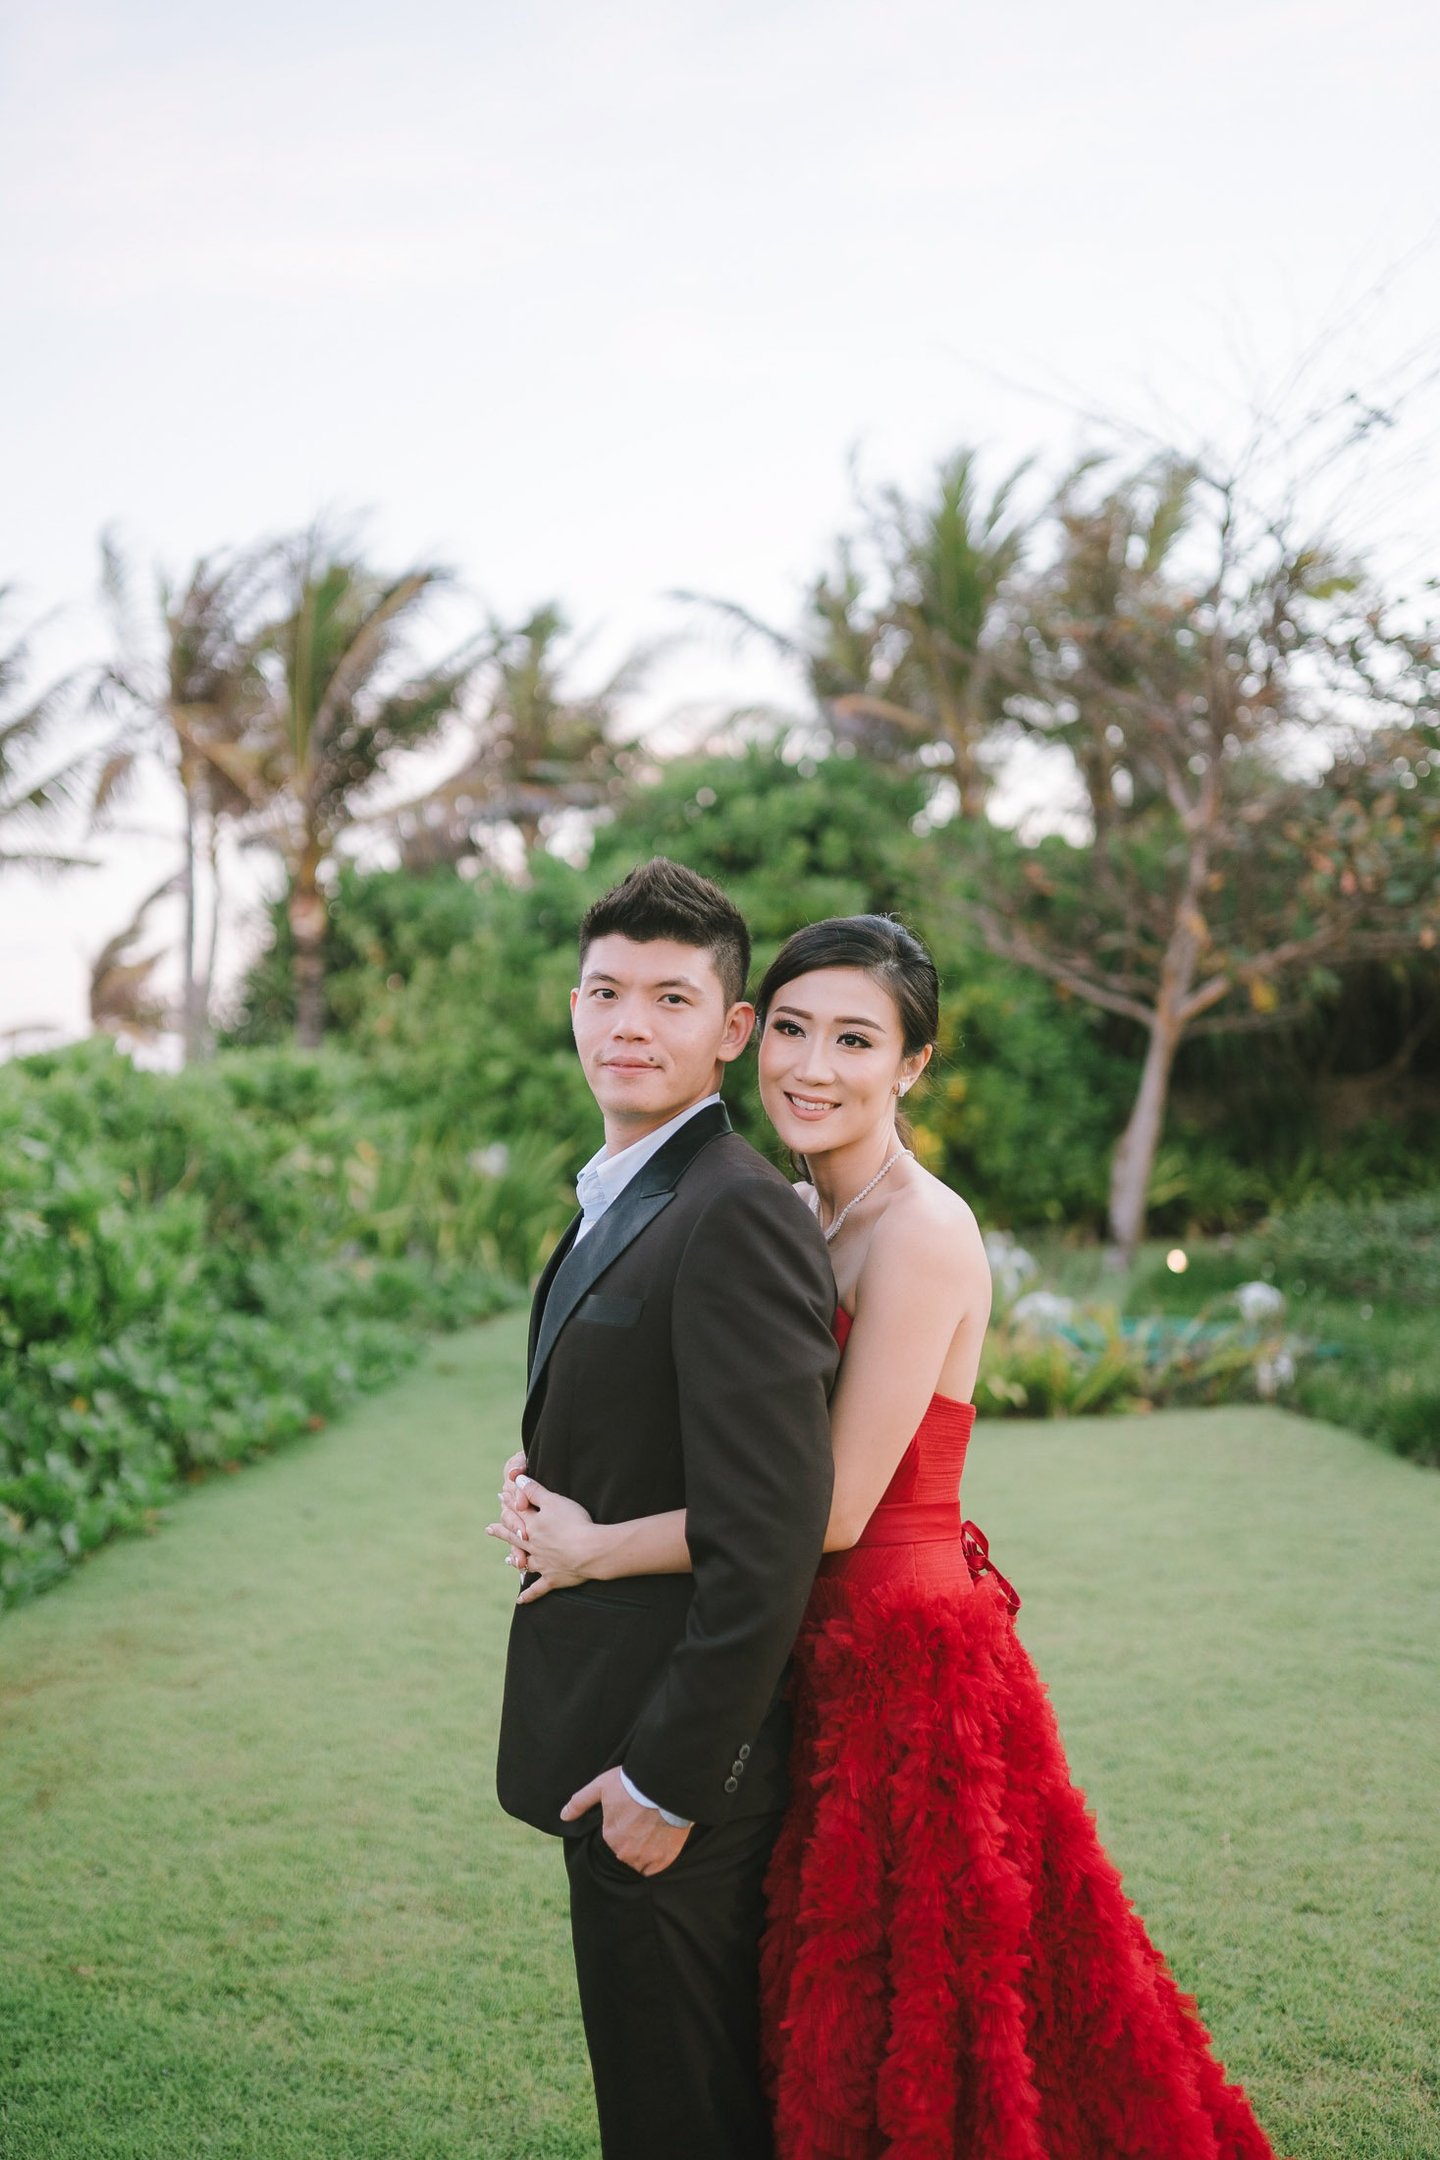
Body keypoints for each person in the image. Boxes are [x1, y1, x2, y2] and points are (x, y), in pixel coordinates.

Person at [493, 912, 1283, 2160]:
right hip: (806, 1644)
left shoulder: (921, 1232)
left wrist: (598, 1548)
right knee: (807, 2025)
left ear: (913, 1065)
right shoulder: (796, 1211)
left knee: (925, 2022)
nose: (812, 1067)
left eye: (855, 1039)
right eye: (794, 1031)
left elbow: (830, 1510)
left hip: (898, 1656)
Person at [494, 857, 838, 2160]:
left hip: (668, 1770)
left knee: (683, 2121)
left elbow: (769, 1533)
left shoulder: (734, 1211)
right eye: (604, 991)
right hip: (606, 1734)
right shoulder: (628, 1190)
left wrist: (669, 1782)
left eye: (671, 998)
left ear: (731, 1031)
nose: (628, 1022)